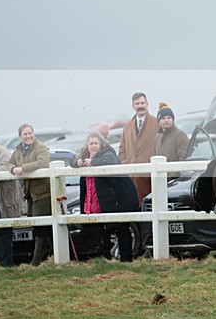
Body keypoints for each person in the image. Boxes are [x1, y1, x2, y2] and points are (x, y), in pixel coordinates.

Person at [74, 133, 138, 261]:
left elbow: (110, 160)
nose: (93, 146)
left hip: (118, 198)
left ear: (101, 144)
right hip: (97, 201)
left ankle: (126, 261)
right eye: (91, 144)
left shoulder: (108, 152)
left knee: (122, 228)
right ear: (87, 146)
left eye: (96, 143)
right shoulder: (84, 156)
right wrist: (78, 162)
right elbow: (72, 161)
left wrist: (93, 162)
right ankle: (105, 260)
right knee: (100, 229)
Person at [6, 124, 51, 265]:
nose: (28, 136)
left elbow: (43, 163)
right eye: (25, 134)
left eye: (30, 133)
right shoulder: (18, 150)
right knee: (39, 225)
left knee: (40, 225)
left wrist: (22, 168)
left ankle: (36, 261)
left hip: (43, 192)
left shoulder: (41, 147)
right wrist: (14, 169)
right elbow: (9, 163)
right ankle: (52, 256)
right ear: (20, 137)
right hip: (30, 194)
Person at [0, 130, 24, 267]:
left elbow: (6, 167)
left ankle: (6, 264)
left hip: (2, 201)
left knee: (4, 234)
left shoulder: (2, 152)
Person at [118, 92, 159, 205]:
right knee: (133, 205)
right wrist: (125, 162)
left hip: (149, 176)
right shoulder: (127, 125)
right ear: (133, 106)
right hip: (132, 175)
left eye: (142, 103)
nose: (140, 106)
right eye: (137, 103)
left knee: (150, 206)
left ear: (147, 104)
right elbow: (122, 147)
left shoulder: (156, 123)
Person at [153, 102, 189, 176]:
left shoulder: (180, 135)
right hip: (159, 179)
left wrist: (173, 176)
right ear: (159, 121)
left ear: (173, 119)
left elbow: (183, 158)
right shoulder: (157, 138)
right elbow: (154, 159)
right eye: (163, 118)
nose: (166, 120)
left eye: (169, 118)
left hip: (175, 181)